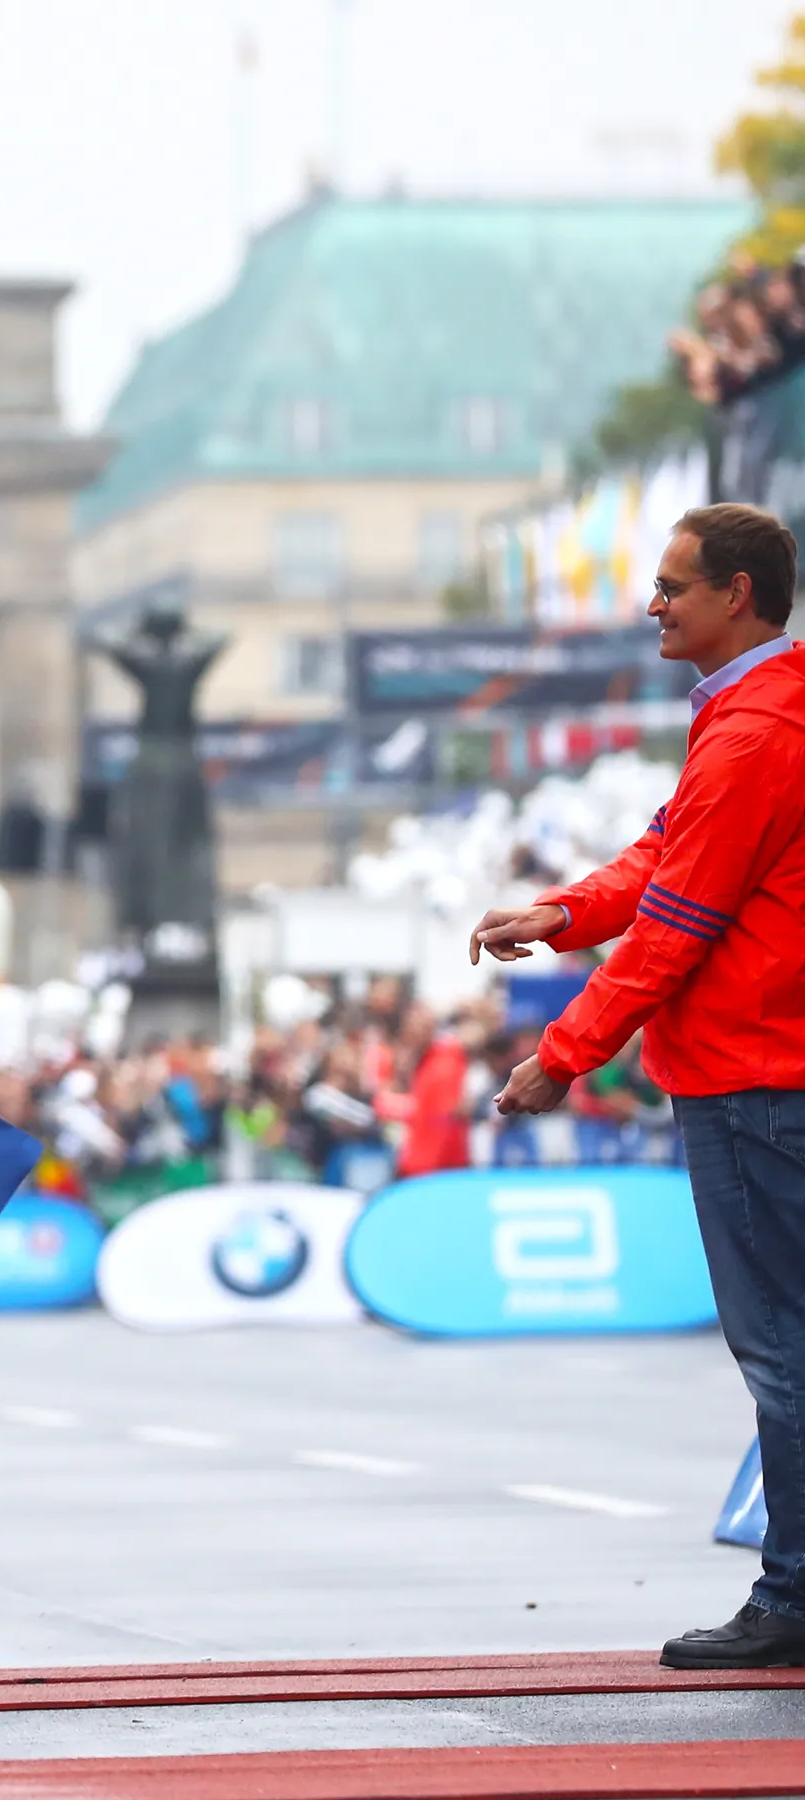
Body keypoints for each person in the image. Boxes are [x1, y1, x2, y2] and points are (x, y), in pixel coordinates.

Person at [472, 504, 805, 1669]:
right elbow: (668, 853)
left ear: (741, 596)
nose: (654, 603)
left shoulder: (756, 727)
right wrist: (565, 914)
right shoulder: (757, 708)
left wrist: (562, 1058)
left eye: (674, 585)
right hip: (767, 1066)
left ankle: (795, 1599)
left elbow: (678, 922)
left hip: (754, 1074)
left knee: (782, 1351)